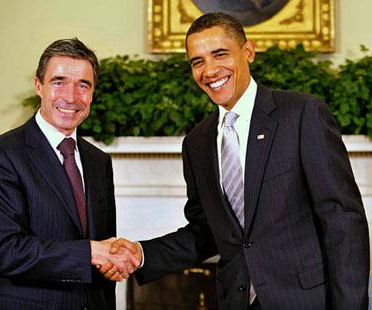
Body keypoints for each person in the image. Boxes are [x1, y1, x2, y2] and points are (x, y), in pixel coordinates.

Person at [105, 12, 370, 310]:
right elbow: (205, 232)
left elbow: (342, 220)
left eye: (220, 54)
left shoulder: (301, 114)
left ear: (248, 51)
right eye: (197, 61)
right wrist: (141, 254)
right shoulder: (197, 143)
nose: (210, 70)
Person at [0, 38, 139, 310]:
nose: (71, 97)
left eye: (83, 85)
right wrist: (90, 252)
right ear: (38, 85)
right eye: (59, 81)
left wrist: (109, 263)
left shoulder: (100, 162)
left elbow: (102, 247)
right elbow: (6, 252)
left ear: (92, 91)